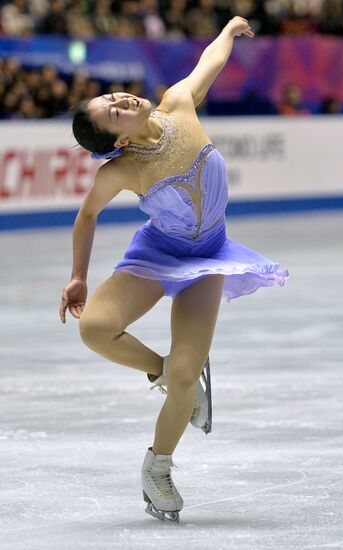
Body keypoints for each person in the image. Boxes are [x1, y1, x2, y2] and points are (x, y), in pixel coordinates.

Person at [59, 15, 289, 522]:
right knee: (95, 327)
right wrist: (78, 275)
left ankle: (157, 464)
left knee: (188, 374)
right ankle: (160, 372)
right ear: (117, 141)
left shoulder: (178, 103)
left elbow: (209, 63)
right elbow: (87, 214)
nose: (121, 102)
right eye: (113, 113)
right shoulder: (122, 169)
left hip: (207, 259)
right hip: (157, 254)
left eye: (114, 97)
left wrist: (228, 32)